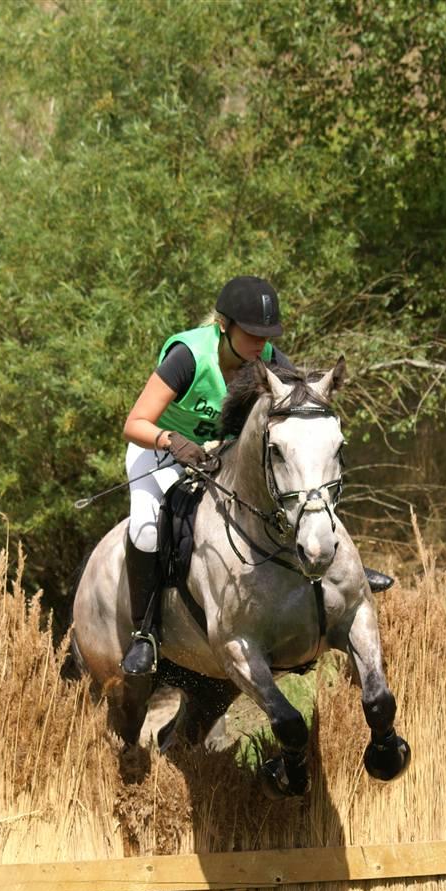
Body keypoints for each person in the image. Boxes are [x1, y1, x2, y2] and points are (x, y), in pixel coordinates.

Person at [120, 275, 291, 675]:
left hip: (220, 458)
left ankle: (330, 575)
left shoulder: (267, 358)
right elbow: (135, 423)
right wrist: (171, 440)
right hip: (159, 451)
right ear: (222, 326)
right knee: (146, 527)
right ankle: (144, 634)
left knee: (298, 483)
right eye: (250, 334)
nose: (259, 345)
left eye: (266, 335)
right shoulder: (188, 357)